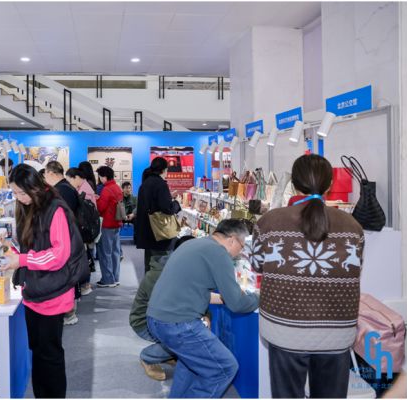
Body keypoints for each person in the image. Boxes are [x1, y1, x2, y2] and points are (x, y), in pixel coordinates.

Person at [251, 154, 364, 398]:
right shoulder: (352, 226)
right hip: (337, 331)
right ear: (330, 184)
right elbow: (355, 268)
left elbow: (257, 265)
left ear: (293, 184)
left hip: (284, 328)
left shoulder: (270, 221)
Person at [1, 164, 87, 398]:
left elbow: (59, 255)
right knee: (37, 351)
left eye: (21, 192)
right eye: (14, 193)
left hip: (53, 291)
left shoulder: (55, 209)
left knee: (50, 354)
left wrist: (22, 260)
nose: (19, 198)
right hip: (35, 290)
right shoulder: (29, 206)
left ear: (34, 186)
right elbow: (33, 245)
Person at [146, 219, 259, 398]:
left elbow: (190, 288)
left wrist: (224, 298)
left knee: (190, 364)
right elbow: (237, 304)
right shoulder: (219, 253)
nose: (240, 252)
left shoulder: (193, 244)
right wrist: (260, 297)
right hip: (178, 324)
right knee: (225, 368)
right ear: (232, 240)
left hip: (157, 318)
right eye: (242, 246)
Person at [129, 235, 194, 381]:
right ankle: (148, 357)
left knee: (190, 331)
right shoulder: (158, 275)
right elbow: (163, 311)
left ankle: (168, 352)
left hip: (163, 318)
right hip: (145, 322)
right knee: (185, 337)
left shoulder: (183, 267)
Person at [44, 161, 81, 326]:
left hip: (66, 238)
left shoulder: (61, 190)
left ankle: (69, 312)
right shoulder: (67, 187)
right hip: (70, 237)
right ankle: (69, 310)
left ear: (51, 173)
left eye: (45, 174)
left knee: (66, 276)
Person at [134, 157, 181, 274]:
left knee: (149, 266)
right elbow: (168, 209)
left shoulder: (145, 184)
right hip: (160, 234)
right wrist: (177, 203)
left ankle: (148, 285)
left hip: (147, 232)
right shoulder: (161, 184)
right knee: (161, 266)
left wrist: (168, 197)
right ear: (164, 170)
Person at [65, 167, 97, 296]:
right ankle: (85, 284)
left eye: (69, 180)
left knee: (85, 257)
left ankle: (86, 284)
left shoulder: (84, 189)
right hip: (86, 228)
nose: (69, 183)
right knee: (86, 255)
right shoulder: (84, 187)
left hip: (84, 229)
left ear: (76, 177)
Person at [95, 166, 123, 288]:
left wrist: (96, 200)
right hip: (116, 223)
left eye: (100, 176)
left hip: (107, 224)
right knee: (115, 252)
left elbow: (101, 208)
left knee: (105, 252)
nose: (100, 179)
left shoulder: (106, 189)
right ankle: (115, 278)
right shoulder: (116, 187)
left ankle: (107, 279)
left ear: (104, 177)